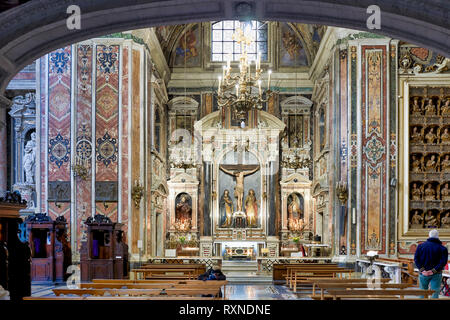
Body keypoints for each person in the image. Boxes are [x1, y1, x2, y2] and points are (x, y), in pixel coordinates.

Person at [414, 229, 449, 298]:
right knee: (435, 293)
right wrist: (433, 271)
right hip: (436, 273)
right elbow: (443, 262)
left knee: (422, 292)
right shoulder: (442, 248)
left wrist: (422, 270)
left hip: (423, 273)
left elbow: (416, 259)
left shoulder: (420, 246)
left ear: (429, 236)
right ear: (438, 236)